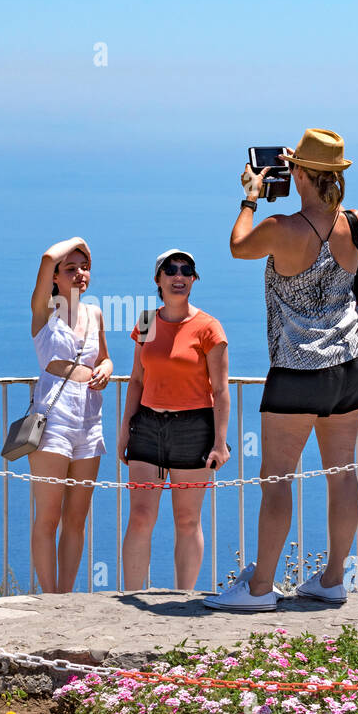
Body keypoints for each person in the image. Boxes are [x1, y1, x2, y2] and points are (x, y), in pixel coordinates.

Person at [206, 128, 358, 611]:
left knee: (277, 477)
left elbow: (239, 246)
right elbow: (331, 211)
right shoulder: (356, 223)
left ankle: (260, 588)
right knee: (342, 472)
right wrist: (304, 171)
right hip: (352, 362)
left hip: (298, 368)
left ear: (298, 172)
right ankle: (333, 578)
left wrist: (250, 197)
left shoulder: (282, 228)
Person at [118, 249, 230, 590]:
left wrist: (220, 443)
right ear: (158, 280)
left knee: (186, 519)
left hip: (193, 427)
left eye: (186, 270)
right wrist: (125, 432)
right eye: (171, 270)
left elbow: (221, 391)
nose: (178, 276)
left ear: (194, 280)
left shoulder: (208, 327)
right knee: (140, 517)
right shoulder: (147, 322)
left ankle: (184, 598)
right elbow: (137, 380)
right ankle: (132, 598)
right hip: (148, 425)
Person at [29, 238, 112, 593]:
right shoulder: (44, 311)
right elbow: (48, 255)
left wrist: (106, 369)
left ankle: (66, 596)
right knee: (49, 518)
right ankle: (49, 596)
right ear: (55, 278)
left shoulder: (95, 314)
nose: (80, 274)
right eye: (71, 268)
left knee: (77, 519)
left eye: (84, 267)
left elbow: (105, 357)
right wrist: (80, 241)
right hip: (53, 422)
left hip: (89, 422)